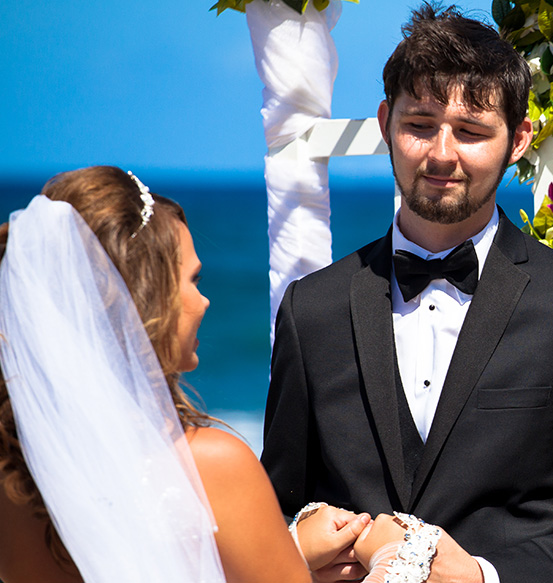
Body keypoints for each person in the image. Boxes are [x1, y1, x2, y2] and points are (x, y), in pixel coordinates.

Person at [260, 5, 553, 583]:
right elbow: (276, 519)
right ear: (385, 122)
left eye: (471, 131)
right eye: (420, 124)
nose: (442, 153)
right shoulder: (312, 310)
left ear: (520, 138)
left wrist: (481, 576)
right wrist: (300, 552)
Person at [0, 166, 373, 583]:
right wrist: (396, 551)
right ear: (147, 297)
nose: (205, 300)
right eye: (192, 280)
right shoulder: (213, 466)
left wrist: (292, 552)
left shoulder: (17, 473)